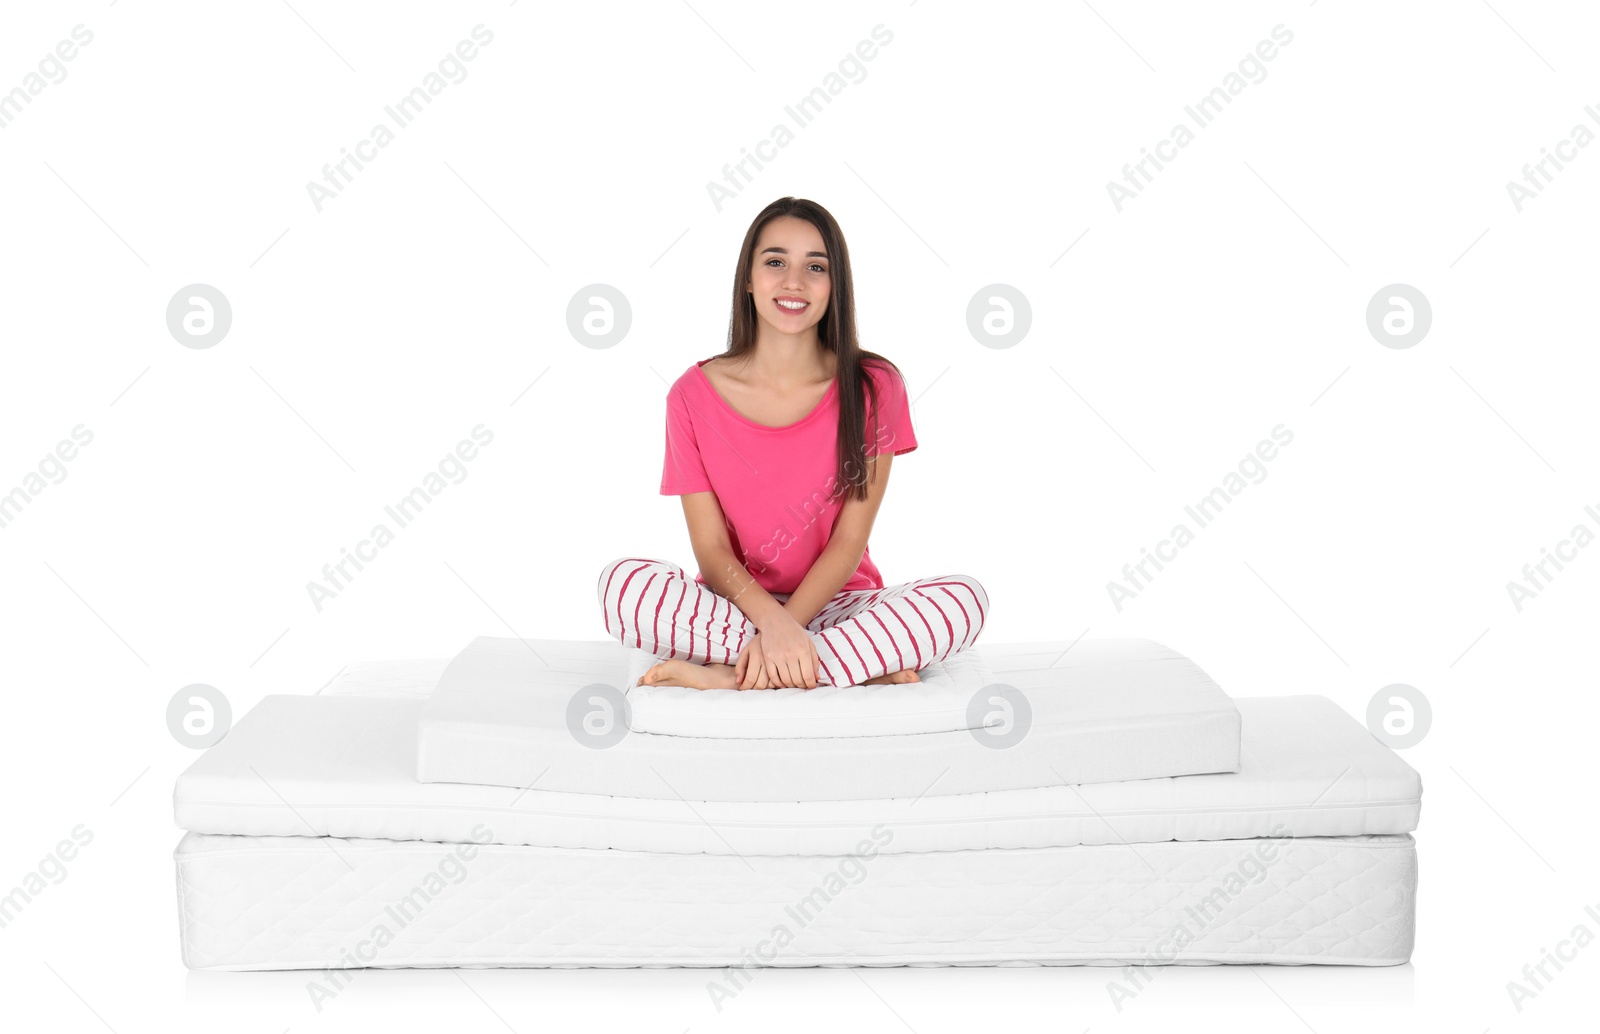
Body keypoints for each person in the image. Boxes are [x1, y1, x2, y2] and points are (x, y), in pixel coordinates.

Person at [597, 197, 988, 690]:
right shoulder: (690, 397)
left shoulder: (875, 387)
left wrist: (790, 624)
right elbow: (713, 551)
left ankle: (733, 675)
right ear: (748, 277)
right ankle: (840, 667)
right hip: (733, 608)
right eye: (776, 261)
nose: (793, 282)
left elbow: (848, 544)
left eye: (815, 267)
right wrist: (772, 624)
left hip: (840, 607)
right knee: (623, 585)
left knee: (964, 599)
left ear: (834, 284)